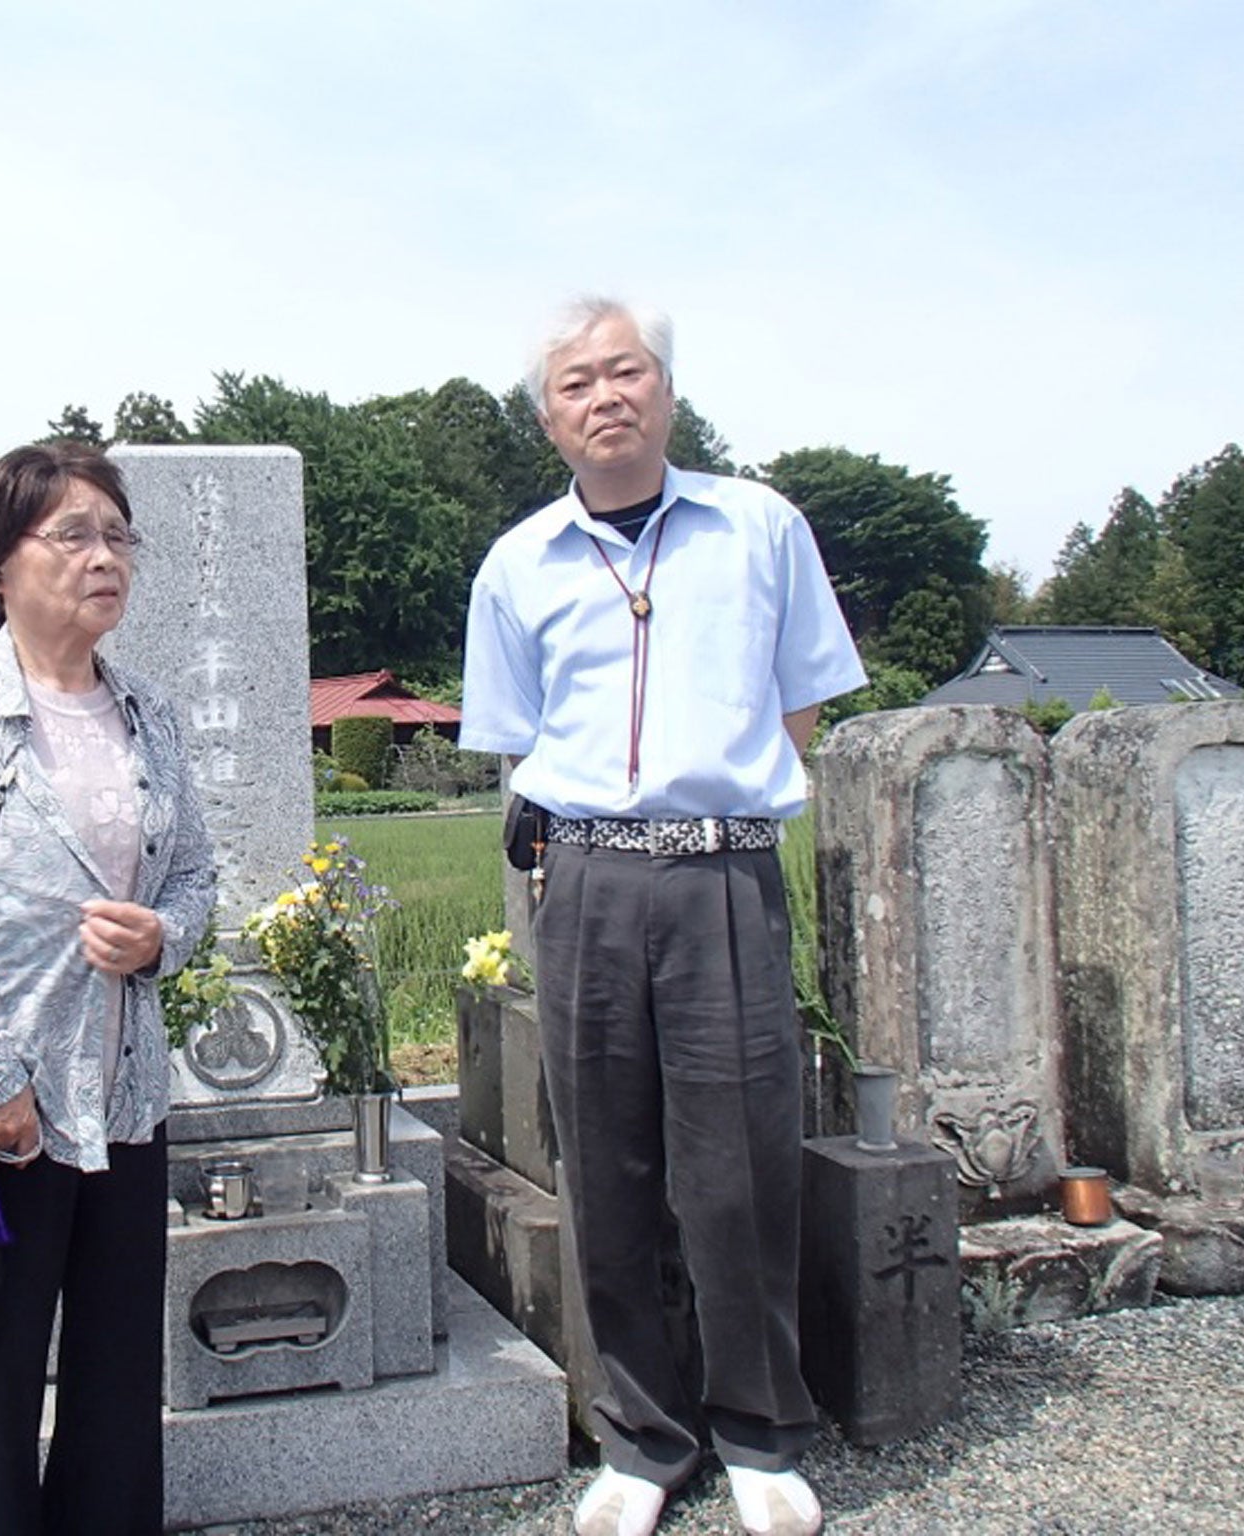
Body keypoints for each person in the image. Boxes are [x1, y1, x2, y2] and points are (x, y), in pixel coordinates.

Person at [461, 297, 866, 1536]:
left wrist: (715, 803)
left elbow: (799, 706)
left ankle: (758, 1430)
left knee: (736, 1162)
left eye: (624, 371)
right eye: (575, 383)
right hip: (583, 882)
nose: (604, 397)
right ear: (548, 419)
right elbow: (518, 742)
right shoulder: (516, 562)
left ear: (666, 390)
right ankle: (641, 1439)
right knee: (608, 1164)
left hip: (721, 875)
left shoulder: (759, 527)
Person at [0, 441, 216, 1536]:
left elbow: (197, 872)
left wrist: (163, 935)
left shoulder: (146, 709)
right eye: (71, 534)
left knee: (116, 1368)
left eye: (117, 535)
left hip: (120, 1088)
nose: (102, 557)